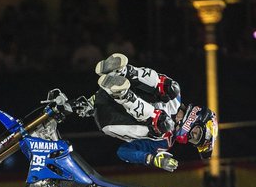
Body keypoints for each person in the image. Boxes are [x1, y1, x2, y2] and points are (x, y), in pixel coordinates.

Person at [79, 53, 216, 172]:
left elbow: (123, 152)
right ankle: (124, 71)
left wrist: (152, 159)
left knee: (165, 125)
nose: (189, 137)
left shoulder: (164, 143)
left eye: (193, 139)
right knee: (172, 88)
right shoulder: (175, 99)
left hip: (110, 119)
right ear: (198, 117)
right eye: (196, 134)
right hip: (108, 93)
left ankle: (124, 97)